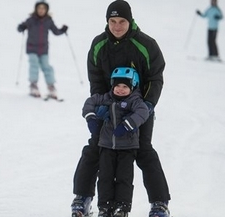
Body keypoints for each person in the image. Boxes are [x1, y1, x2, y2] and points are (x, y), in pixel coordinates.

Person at [71, 1, 171, 217]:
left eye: (122, 21)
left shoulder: (146, 44)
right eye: (112, 21)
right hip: (109, 111)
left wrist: (145, 106)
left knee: (143, 151)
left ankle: (159, 203)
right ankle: (82, 198)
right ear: (107, 22)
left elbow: (155, 78)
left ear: (130, 21)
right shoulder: (99, 45)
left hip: (138, 110)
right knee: (95, 149)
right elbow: (96, 79)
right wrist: (100, 108)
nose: (117, 26)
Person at [82, 67, 149, 217]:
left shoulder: (134, 101)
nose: (120, 89)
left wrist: (128, 125)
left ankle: (122, 207)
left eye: (125, 86)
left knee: (123, 178)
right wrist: (91, 117)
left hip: (127, 147)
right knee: (105, 177)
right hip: (106, 145)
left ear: (132, 87)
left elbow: (143, 112)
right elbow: (89, 103)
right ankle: (105, 207)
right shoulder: (106, 98)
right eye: (117, 86)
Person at [17, 0, 68, 99]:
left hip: (43, 49)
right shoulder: (31, 20)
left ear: (46, 10)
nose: (41, 10)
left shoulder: (48, 21)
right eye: (39, 8)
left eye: (43, 8)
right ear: (36, 9)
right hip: (32, 48)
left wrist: (62, 30)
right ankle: (33, 85)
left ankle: (51, 87)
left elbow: (55, 31)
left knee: (47, 67)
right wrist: (21, 27)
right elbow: (22, 27)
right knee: (34, 65)